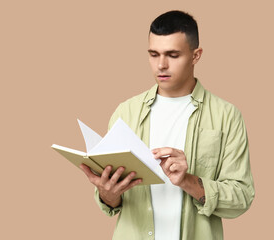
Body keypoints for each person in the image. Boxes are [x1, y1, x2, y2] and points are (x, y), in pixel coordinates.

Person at [80, 10, 255, 240]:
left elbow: (242, 197)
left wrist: (188, 181)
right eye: (154, 54)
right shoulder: (125, 112)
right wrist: (107, 192)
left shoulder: (227, 116)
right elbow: (111, 204)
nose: (161, 65)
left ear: (196, 55)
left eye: (172, 55)